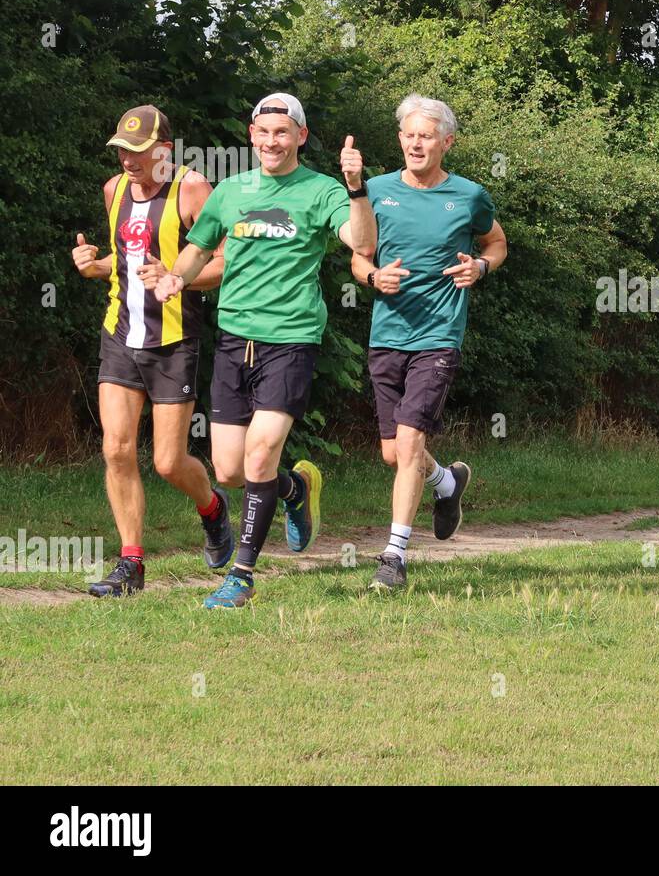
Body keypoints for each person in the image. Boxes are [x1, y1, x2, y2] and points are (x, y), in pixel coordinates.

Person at [150, 93, 377, 607]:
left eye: (283, 132)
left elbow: (361, 244)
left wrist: (356, 189)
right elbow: (200, 246)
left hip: (290, 339)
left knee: (259, 452)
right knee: (229, 470)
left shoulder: (321, 191)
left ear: (300, 136)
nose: (272, 141)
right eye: (263, 132)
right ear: (252, 136)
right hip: (234, 341)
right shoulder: (230, 191)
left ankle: (242, 575)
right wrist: (173, 279)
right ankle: (295, 489)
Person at [350, 95, 508, 592]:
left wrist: (480, 267)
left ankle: (393, 556)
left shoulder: (468, 196)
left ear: (447, 142)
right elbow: (360, 255)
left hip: (439, 334)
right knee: (394, 454)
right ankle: (446, 482)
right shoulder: (375, 191)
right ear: (400, 139)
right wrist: (374, 277)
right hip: (387, 333)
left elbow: (497, 244)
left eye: (427, 136)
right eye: (409, 135)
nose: (416, 144)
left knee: (412, 442)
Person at [71, 105, 229, 597]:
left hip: (173, 340)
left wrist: (177, 279)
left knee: (167, 462)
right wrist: (92, 265)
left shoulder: (193, 189)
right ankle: (131, 565)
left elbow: (225, 263)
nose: (128, 159)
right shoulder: (113, 190)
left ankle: (213, 508)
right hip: (120, 334)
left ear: (165, 148)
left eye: (138, 150)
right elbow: (123, 262)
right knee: (116, 449)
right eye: (122, 149)